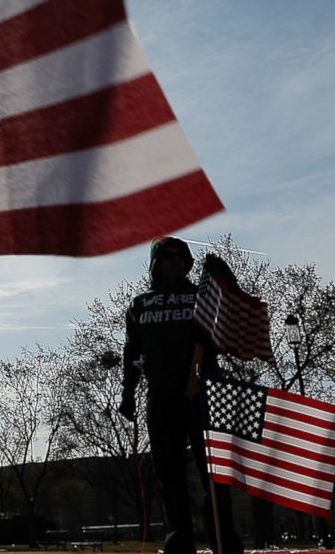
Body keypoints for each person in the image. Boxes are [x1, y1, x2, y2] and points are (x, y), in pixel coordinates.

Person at [119, 236, 242, 554]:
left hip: (202, 392)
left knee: (212, 472)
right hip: (160, 396)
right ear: (156, 262)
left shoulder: (202, 298)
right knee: (169, 473)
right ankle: (180, 539)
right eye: (167, 255)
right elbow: (132, 350)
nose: (174, 260)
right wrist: (128, 392)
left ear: (186, 262)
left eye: (180, 255)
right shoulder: (140, 304)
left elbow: (225, 335)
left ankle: (223, 539)